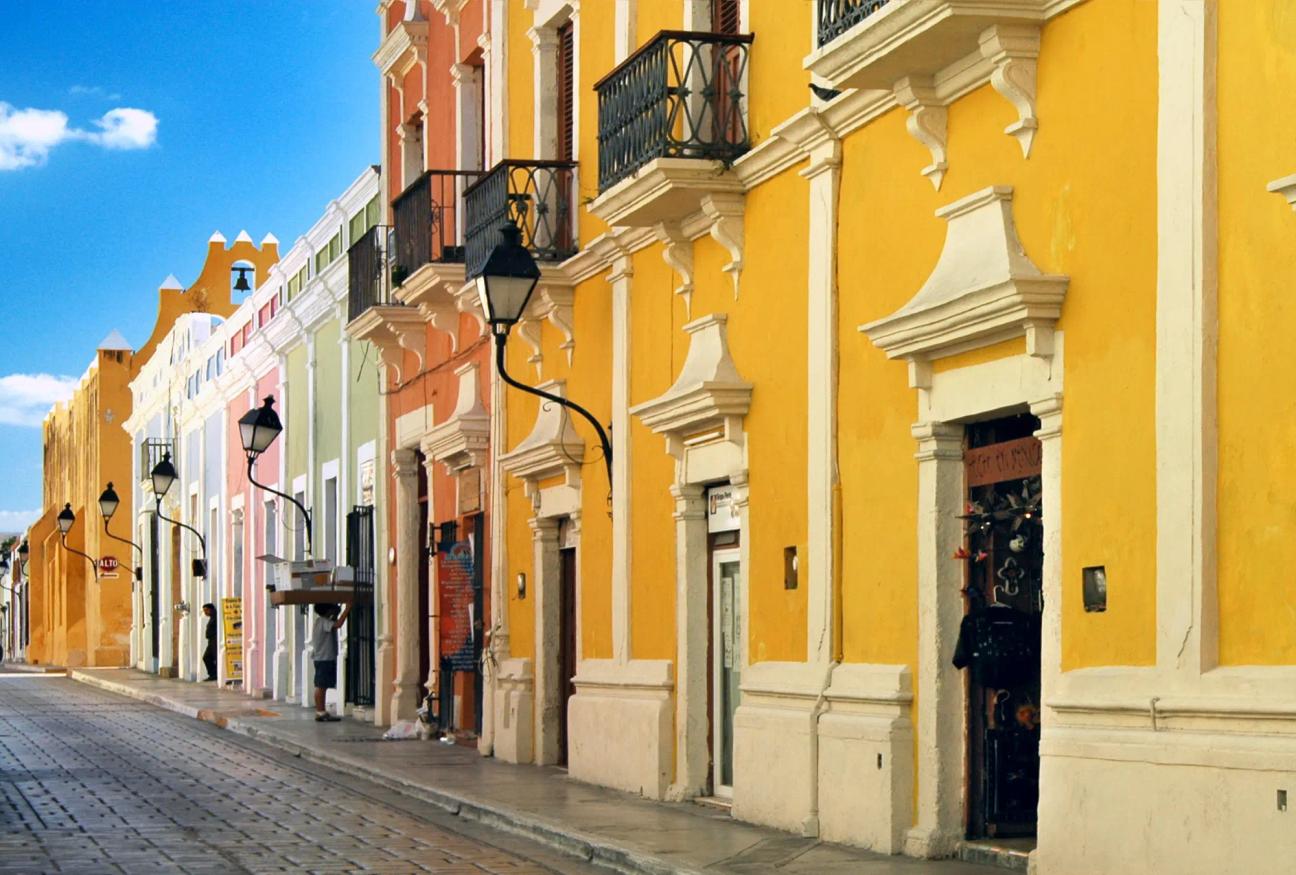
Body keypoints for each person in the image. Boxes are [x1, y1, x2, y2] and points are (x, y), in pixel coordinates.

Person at [311, 602, 351, 722]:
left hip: (322, 658)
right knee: (321, 686)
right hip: (324, 658)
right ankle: (320, 711)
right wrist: (347, 610)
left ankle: (321, 711)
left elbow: (334, 622)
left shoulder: (320, 621)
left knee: (322, 685)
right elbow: (338, 624)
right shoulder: (324, 622)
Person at [201, 603, 218, 681]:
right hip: (211, 640)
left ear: (211, 609)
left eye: (206, 610)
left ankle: (214, 674)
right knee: (207, 657)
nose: (205, 612)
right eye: (204, 611)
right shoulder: (212, 617)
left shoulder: (216, 617)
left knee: (210, 656)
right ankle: (213, 674)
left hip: (214, 640)